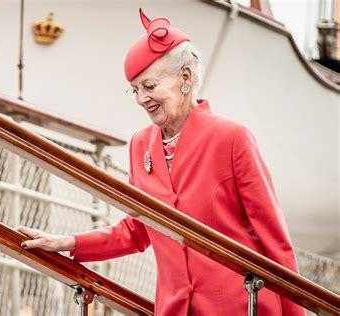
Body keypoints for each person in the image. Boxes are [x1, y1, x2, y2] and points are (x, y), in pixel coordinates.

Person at [15, 8, 304, 316]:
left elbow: (274, 240)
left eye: (150, 86)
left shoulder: (232, 138)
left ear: (186, 78)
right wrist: (70, 242)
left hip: (239, 307)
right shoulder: (140, 145)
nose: (142, 99)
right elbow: (136, 231)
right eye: (135, 89)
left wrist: (296, 313)